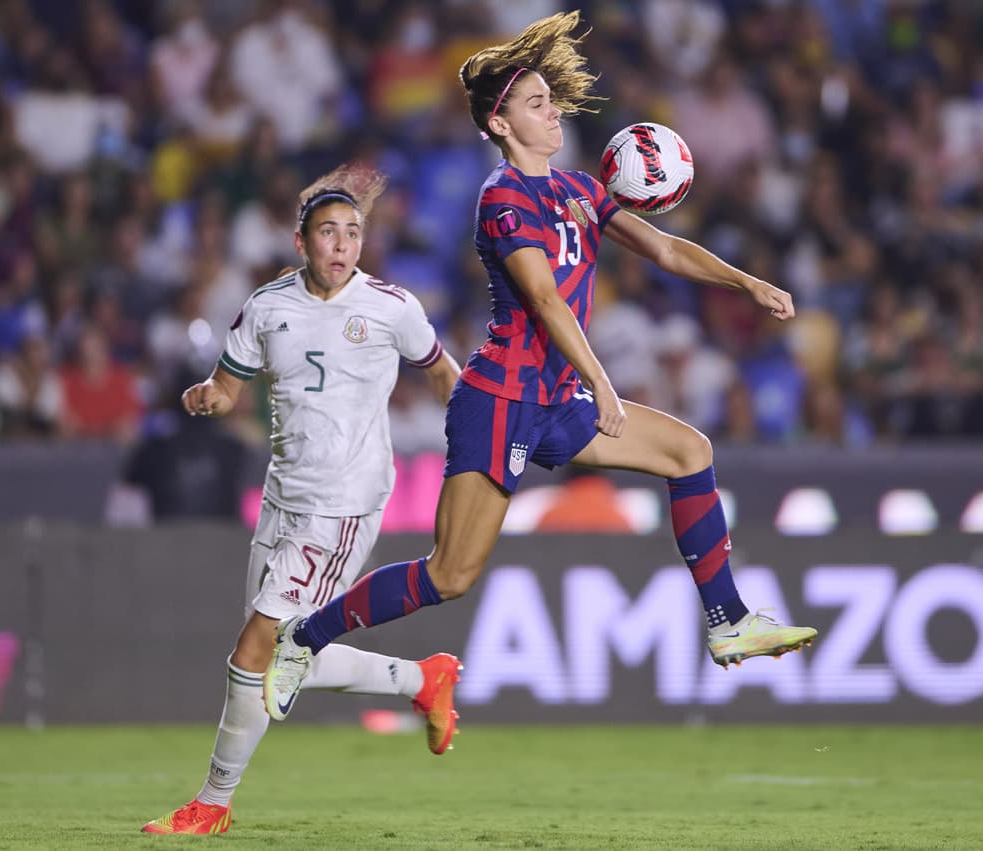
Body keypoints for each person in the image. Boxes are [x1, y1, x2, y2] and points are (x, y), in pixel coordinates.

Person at [264, 12, 819, 722]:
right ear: (499, 125)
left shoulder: (578, 190)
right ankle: (302, 636)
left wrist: (747, 282)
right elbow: (545, 298)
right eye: (533, 103)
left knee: (690, 451)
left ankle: (728, 620)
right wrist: (602, 380)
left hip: (555, 397)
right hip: (500, 398)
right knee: (450, 573)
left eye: (549, 99)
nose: (552, 109)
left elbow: (668, 250)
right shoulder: (502, 198)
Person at [142, 163, 463, 835]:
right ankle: (422, 680)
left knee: (254, 648)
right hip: (283, 493)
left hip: (344, 501)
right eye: (328, 233)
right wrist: (209, 396)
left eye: (353, 232)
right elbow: (227, 386)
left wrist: (475, 440)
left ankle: (212, 802)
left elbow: (441, 374)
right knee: (283, 649)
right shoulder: (266, 307)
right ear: (301, 241)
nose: (342, 245)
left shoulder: (391, 306)